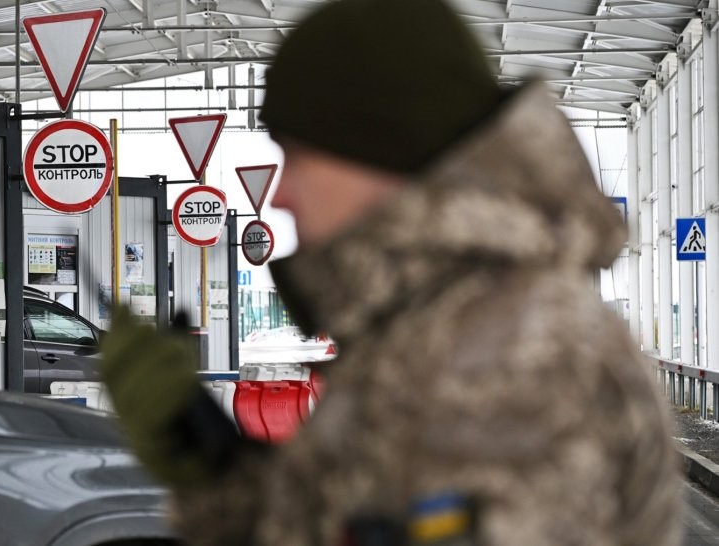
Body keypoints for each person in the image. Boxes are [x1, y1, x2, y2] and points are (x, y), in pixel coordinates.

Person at [101, 0, 683, 544]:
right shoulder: (442, 325)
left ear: (377, 149)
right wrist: (213, 469)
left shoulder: (504, 360)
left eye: (298, 157)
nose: (280, 195)